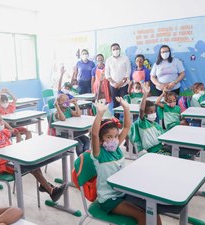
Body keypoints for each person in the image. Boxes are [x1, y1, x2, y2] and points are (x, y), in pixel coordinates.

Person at [0, 110, 67, 203]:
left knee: (33, 163)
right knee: (32, 166)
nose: (3, 122)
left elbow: (13, 131)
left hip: (11, 159)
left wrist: (16, 132)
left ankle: (48, 188)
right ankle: (49, 189)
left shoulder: (4, 132)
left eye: (2, 119)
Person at [90, 97, 162, 225]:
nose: (114, 140)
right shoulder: (99, 154)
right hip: (109, 199)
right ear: (101, 140)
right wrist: (100, 114)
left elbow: (127, 126)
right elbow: (95, 134)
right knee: (143, 217)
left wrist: (126, 108)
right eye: (108, 137)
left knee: (153, 212)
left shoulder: (116, 148)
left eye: (116, 136)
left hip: (123, 192)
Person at [105, 43, 131, 118]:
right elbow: (107, 74)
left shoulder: (125, 58)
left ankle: (126, 120)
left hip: (124, 85)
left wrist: (120, 83)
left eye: (117, 49)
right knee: (116, 104)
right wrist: (114, 83)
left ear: (120, 49)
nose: (115, 50)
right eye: (114, 49)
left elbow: (128, 72)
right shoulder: (108, 60)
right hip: (113, 86)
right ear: (111, 51)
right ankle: (116, 121)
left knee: (124, 103)